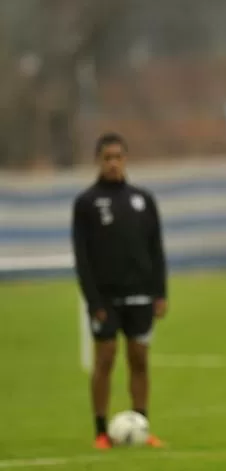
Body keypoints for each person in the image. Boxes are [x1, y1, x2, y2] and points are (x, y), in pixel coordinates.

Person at [71, 132, 167, 450]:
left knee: (139, 359)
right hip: (105, 298)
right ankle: (101, 431)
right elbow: (82, 258)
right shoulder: (86, 203)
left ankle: (141, 424)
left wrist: (160, 292)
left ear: (126, 159)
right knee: (106, 358)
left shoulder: (142, 200)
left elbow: (156, 249)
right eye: (107, 158)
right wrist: (93, 300)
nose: (113, 163)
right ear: (98, 161)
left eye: (118, 157)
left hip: (141, 294)